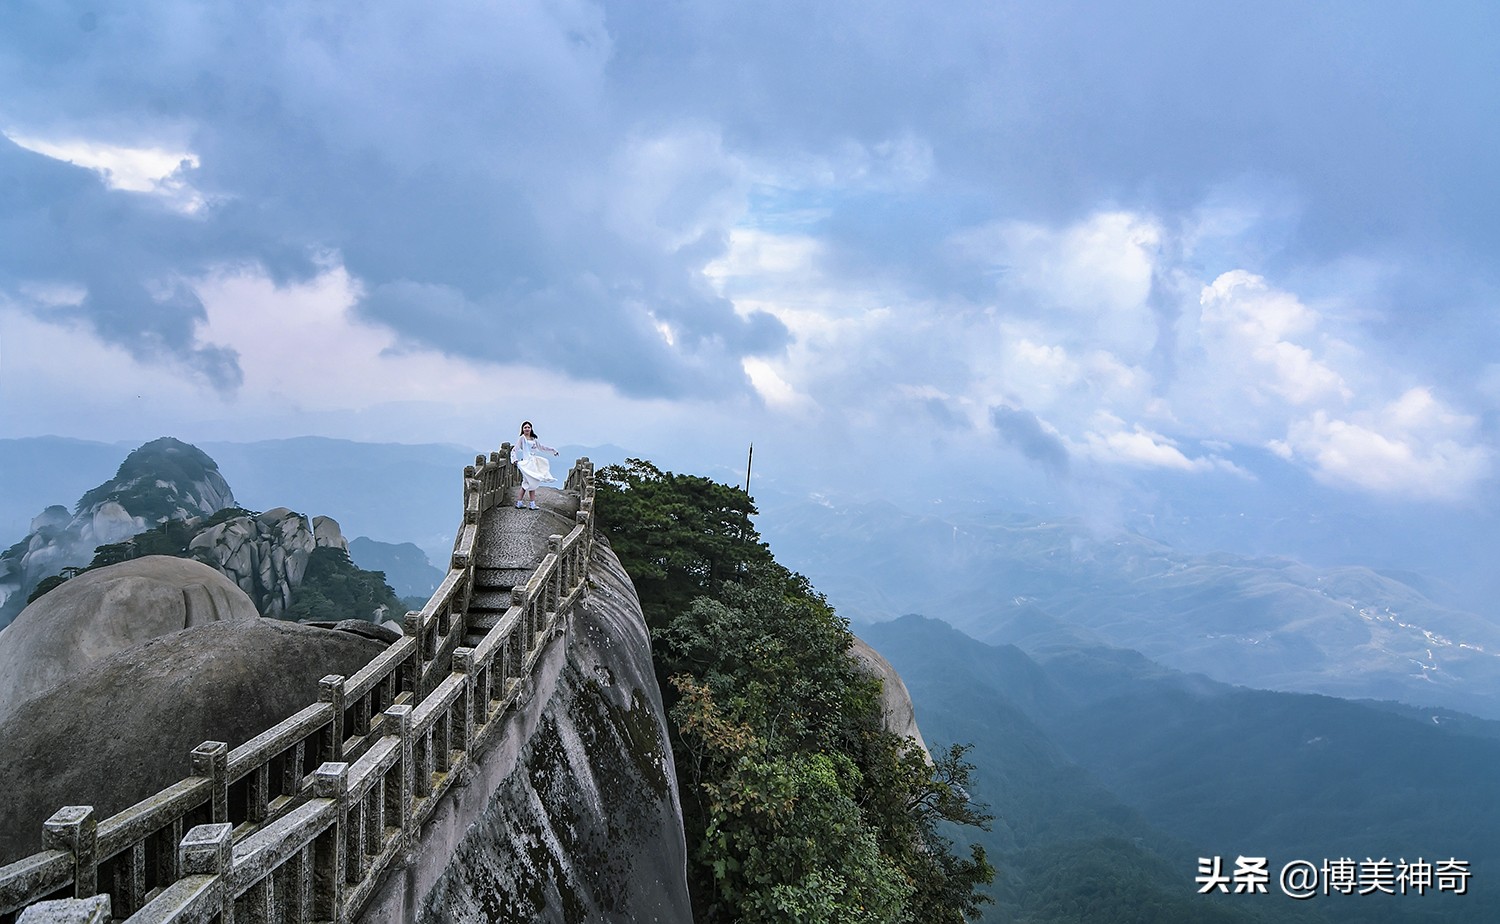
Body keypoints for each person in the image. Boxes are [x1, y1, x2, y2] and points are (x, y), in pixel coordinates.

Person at [510, 420, 559, 509]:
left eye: (528, 427)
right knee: (529, 482)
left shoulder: (533, 439)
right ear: (522, 429)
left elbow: (542, 447)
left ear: (531, 428)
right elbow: (514, 449)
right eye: (525, 427)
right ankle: (528, 503)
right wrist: (514, 460)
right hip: (527, 463)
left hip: (533, 462)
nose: (527, 429)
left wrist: (553, 451)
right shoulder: (522, 438)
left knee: (530, 482)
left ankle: (523, 502)